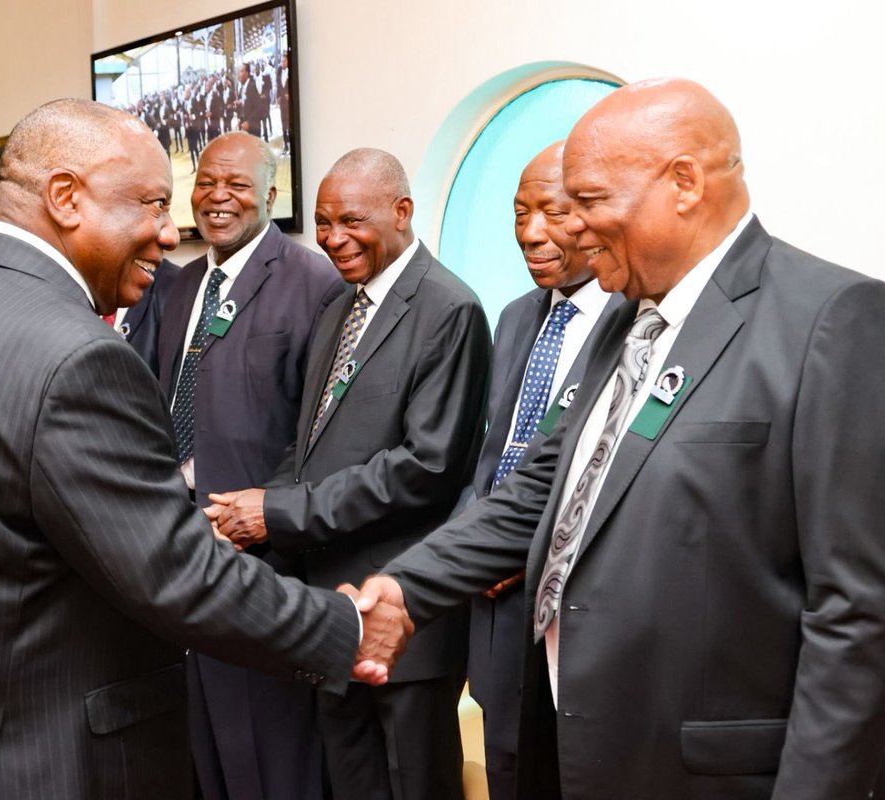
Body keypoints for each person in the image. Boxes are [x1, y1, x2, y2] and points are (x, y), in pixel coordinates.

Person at [0, 100, 409, 799]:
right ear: (66, 198)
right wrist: (345, 626)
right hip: (20, 755)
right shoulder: (75, 354)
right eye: (152, 203)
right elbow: (174, 573)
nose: (167, 230)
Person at [357, 78, 885, 799]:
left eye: (589, 201)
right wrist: (404, 587)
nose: (568, 228)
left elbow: (856, 611)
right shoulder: (621, 318)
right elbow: (537, 495)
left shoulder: (832, 320)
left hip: (711, 773)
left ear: (685, 183)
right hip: (577, 747)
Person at [210, 148, 491, 800]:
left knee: (413, 784)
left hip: (405, 615)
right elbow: (309, 449)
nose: (334, 238)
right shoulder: (338, 306)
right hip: (330, 611)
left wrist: (276, 514)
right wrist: (245, 513)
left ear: (401, 212)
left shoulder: (450, 309)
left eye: (351, 220)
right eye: (323, 222)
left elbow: (425, 468)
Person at [158, 131, 343, 800]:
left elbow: (317, 428)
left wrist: (264, 512)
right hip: (180, 545)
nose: (216, 197)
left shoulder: (314, 282)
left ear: (270, 194)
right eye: (206, 182)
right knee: (199, 739)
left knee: (269, 748)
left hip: (262, 551)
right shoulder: (180, 286)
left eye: (236, 184)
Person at [461, 141, 622, 800]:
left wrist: (522, 549)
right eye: (519, 212)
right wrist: (475, 543)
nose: (531, 233)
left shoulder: (635, 319)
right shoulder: (516, 316)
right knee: (507, 770)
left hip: (586, 612)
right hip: (498, 611)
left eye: (551, 212)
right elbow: (492, 458)